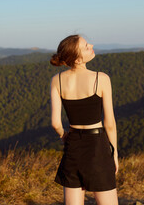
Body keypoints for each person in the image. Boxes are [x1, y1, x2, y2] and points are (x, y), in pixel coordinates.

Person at [49, 35, 119, 205]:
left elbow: (56, 123)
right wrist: (114, 152)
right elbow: (109, 123)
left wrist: (64, 136)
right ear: (78, 58)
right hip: (98, 146)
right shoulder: (101, 79)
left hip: (73, 144)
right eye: (86, 46)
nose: (92, 45)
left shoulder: (57, 80)